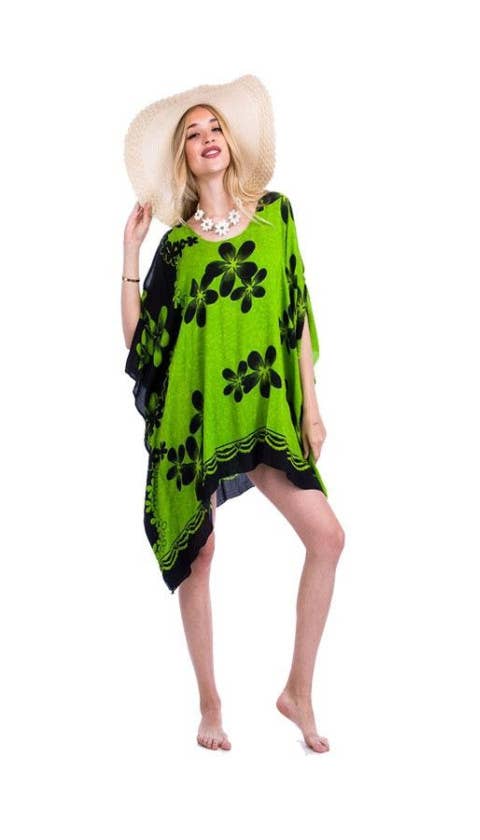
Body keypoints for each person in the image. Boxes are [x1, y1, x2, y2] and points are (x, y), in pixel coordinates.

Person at [121, 75, 345, 753]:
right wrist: (130, 254)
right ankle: (210, 703)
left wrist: (310, 407)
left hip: (266, 414)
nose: (207, 138)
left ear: (232, 141)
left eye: (214, 126)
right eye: (193, 134)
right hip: (202, 422)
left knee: (328, 539)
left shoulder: (277, 217)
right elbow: (142, 343)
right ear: (185, 160)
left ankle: (298, 691)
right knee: (202, 554)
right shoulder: (179, 250)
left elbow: (295, 313)